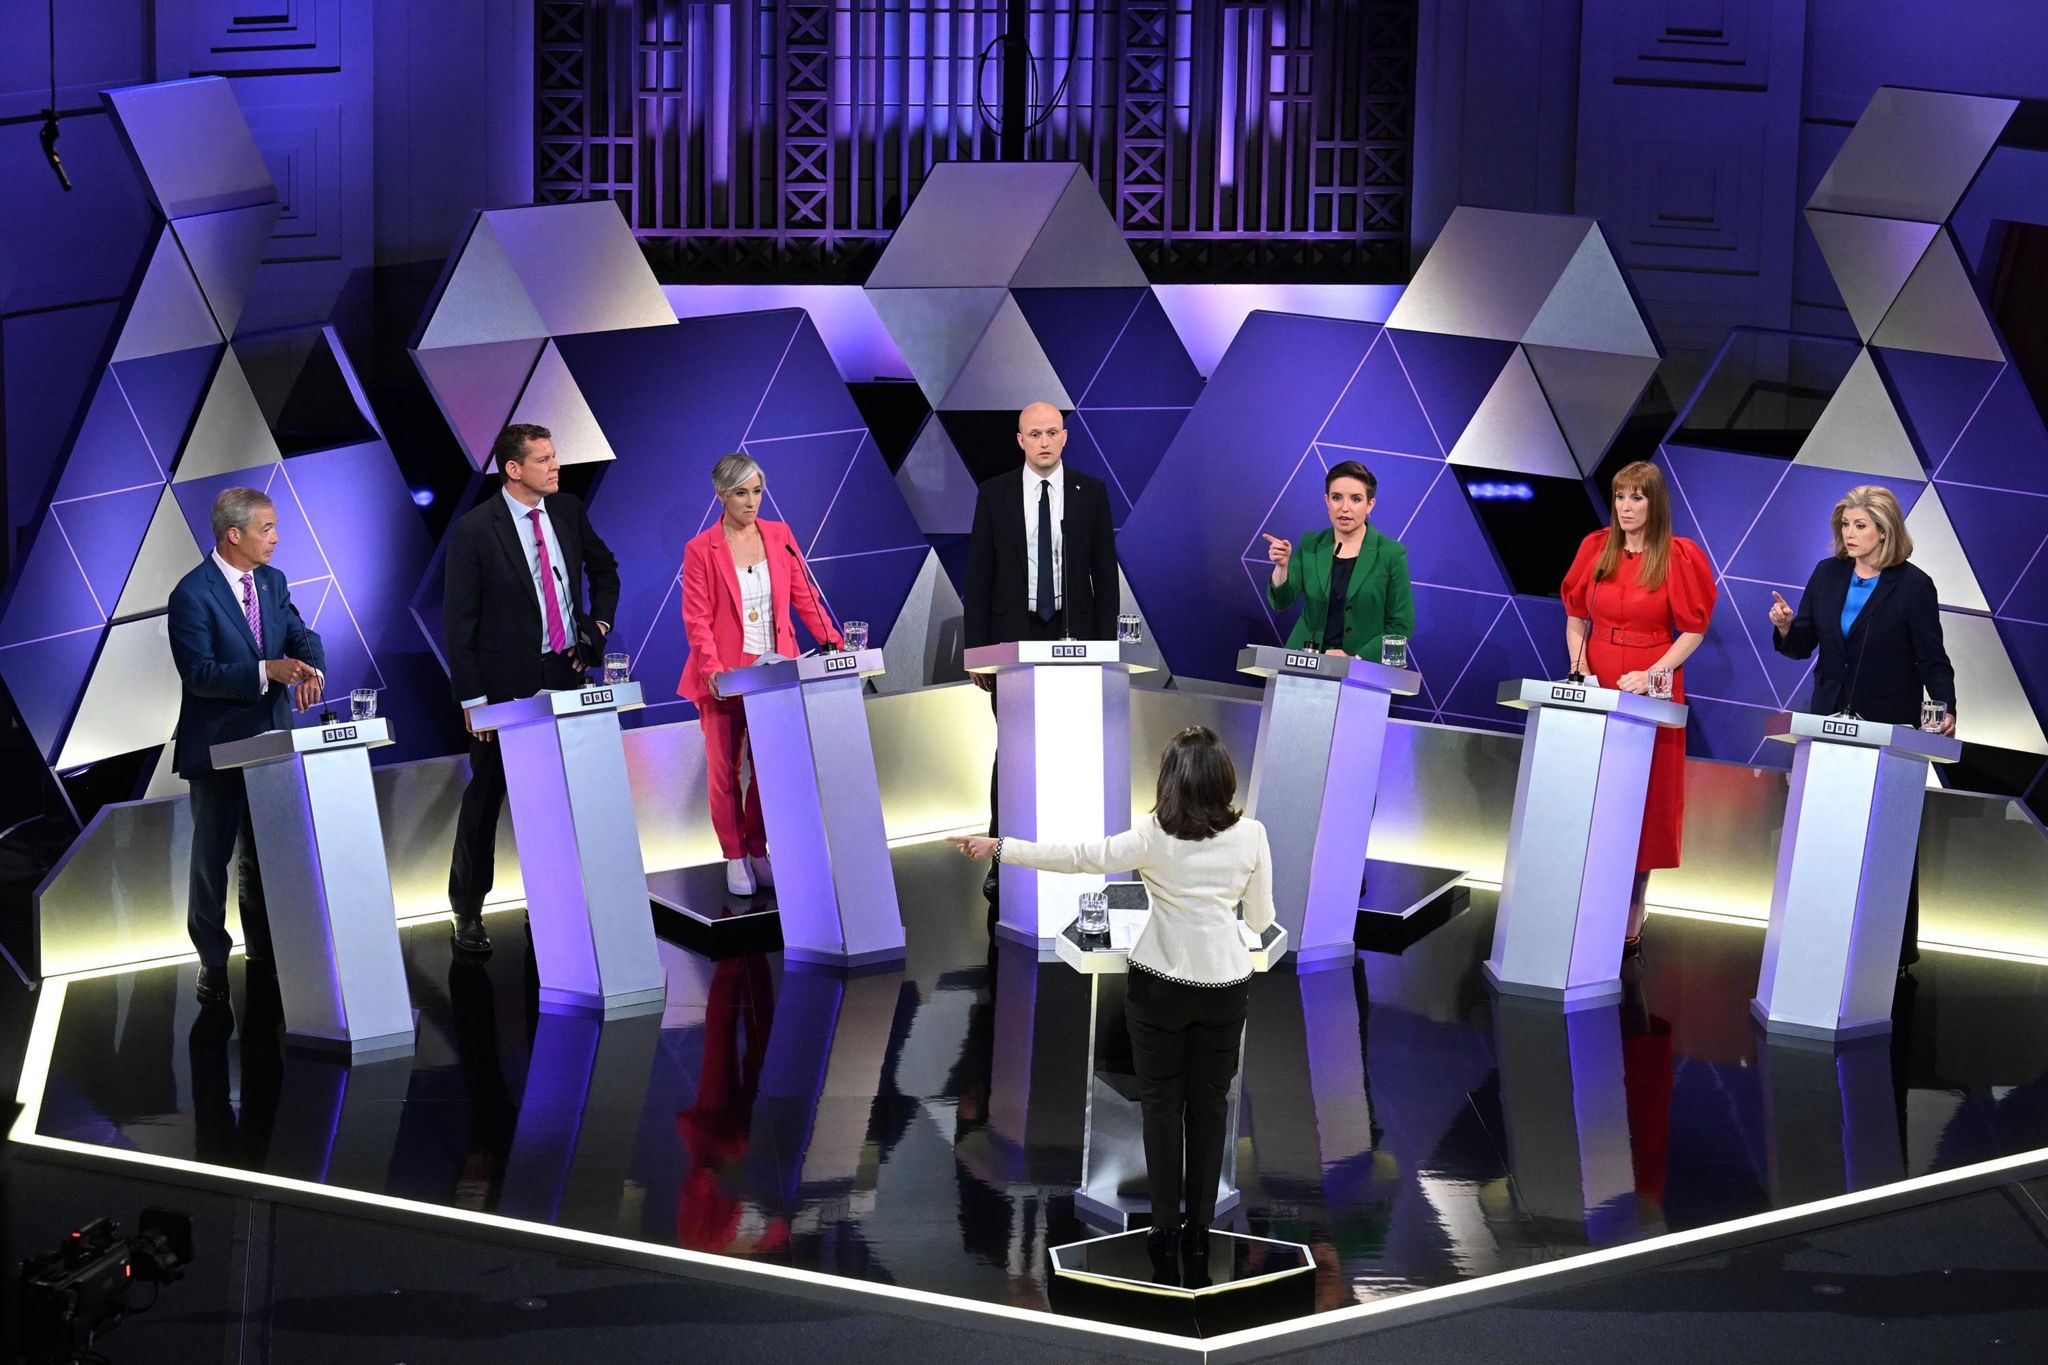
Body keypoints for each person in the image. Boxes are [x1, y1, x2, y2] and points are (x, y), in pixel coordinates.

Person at [952, 726, 1274, 1285]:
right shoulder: (1252, 837)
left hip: (1158, 991)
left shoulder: (1152, 835)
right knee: (1209, 1108)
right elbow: (1260, 920)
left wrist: (1000, 847)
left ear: (1169, 780)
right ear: (1224, 778)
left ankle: (1165, 1229)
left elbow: (1079, 857)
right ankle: (1200, 1229)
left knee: (1160, 1107)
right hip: (1225, 988)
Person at [442, 422, 620, 955]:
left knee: (560, 797)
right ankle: (467, 910)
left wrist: (598, 628)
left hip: (565, 676)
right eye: (543, 459)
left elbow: (605, 570)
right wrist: (474, 701)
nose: (555, 466)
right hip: (503, 690)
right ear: (513, 469)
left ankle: (552, 901)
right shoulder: (476, 530)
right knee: (488, 797)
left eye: (554, 456)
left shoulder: (566, 511)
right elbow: (459, 623)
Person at [1768, 484, 1955, 968]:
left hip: (1888, 725)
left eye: (1860, 526)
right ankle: (1819, 930)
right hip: (1828, 719)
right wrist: (1788, 626)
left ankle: (1889, 948)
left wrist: (1945, 705)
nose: (1849, 535)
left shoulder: (1914, 586)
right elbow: (1801, 646)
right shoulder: (1827, 575)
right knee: (1824, 829)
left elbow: (1932, 659)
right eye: (1845, 526)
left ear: (1884, 530)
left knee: (1883, 838)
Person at [166, 486, 325, 1005]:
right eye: (267, 529)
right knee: (213, 860)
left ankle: (266, 951)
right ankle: (212, 961)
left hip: (271, 740)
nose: (276, 539)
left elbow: (299, 634)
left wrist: (309, 667)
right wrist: (266, 669)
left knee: (265, 853)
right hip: (216, 748)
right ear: (234, 535)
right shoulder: (192, 593)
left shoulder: (273, 582)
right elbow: (199, 673)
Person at [963, 400, 1120, 902]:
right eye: (1035, 434)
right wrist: (978, 654)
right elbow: (979, 576)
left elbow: (1104, 575)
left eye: (1053, 431)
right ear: (1020, 441)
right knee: (1013, 752)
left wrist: (1105, 649)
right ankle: (1002, 856)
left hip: (1075, 640)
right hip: (1013, 643)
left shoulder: (1090, 493)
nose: (1045, 441)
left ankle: (1072, 854)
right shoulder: (995, 495)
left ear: (1065, 437)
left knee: (1071, 749)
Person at [1560, 460, 1716, 950]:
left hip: (1652, 679)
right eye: (1620, 497)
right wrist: (1580, 668)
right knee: (1594, 790)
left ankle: (1634, 902)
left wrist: (1652, 676)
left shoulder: (1677, 555)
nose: (1626, 508)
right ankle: (1585, 893)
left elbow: (1693, 629)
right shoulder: (1595, 546)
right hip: (1599, 675)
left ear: (1655, 503)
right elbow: (1575, 617)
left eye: (1637, 498)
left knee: (1645, 798)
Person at [678, 453, 842, 895]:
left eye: (757, 492)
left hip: (777, 673)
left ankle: (756, 847)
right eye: (741, 494)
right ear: (721, 495)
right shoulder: (701, 549)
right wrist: (712, 668)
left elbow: (804, 597)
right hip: (725, 677)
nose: (752, 502)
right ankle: (733, 855)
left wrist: (836, 643)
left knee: (771, 770)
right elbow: (697, 618)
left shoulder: (780, 535)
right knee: (724, 772)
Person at [1262, 459, 1415, 659]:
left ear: (1370, 505)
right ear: (1327, 501)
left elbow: (1401, 626)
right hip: (1302, 663)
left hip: (1361, 673)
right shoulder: (1311, 545)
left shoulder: (1391, 553)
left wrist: (1356, 661)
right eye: (1336, 498)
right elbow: (1280, 602)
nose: (1344, 508)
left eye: (1356, 499)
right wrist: (1281, 567)